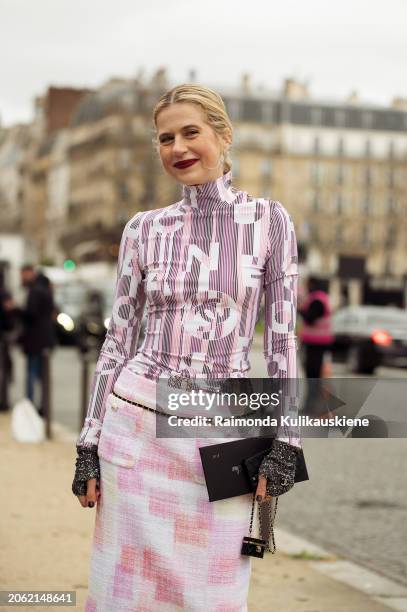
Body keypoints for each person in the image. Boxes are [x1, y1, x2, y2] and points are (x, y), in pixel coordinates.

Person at [72, 83, 301, 611]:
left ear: (223, 136)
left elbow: (283, 340)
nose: (177, 148)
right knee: (122, 591)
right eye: (165, 138)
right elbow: (118, 340)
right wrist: (88, 444)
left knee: (213, 593)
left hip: (223, 433)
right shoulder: (142, 229)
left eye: (190, 132)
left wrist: (288, 442)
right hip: (135, 430)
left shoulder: (270, 221)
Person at [19, 265, 56, 416]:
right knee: (42, 376)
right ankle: (44, 406)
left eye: (23, 274)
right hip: (46, 338)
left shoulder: (34, 291)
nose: (21, 278)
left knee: (31, 374)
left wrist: (17, 311)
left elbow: (31, 314)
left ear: (30, 273)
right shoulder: (46, 290)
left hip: (34, 339)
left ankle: (29, 406)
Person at [298, 276, 334, 378]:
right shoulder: (321, 297)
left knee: (313, 370)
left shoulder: (317, 300)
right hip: (318, 341)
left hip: (316, 341)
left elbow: (310, 318)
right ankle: (313, 392)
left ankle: (313, 393)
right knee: (314, 370)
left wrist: (300, 310)